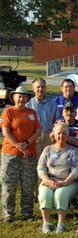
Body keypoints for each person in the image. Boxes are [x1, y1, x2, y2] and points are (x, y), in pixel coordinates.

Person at [1, 86, 42, 223]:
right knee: (9, 184)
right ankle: (8, 213)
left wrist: (26, 143)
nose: (21, 99)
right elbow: (6, 132)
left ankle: (27, 212)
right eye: (19, 96)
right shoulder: (8, 112)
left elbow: (38, 131)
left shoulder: (32, 113)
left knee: (28, 184)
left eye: (24, 97)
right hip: (10, 154)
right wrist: (19, 146)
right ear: (13, 98)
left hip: (29, 154)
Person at [37, 122, 78, 233]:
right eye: (59, 133)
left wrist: (65, 182)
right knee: (44, 194)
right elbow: (41, 168)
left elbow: (76, 170)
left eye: (64, 133)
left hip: (68, 182)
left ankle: (61, 224)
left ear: (68, 135)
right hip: (49, 181)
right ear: (54, 135)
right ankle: (46, 223)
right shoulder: (47, 150)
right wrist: (47, 180)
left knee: (60, 194)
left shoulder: (73, 151)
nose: (61, 136)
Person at [27, 78, 57, 158]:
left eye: (43, 87)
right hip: (34, 138)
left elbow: (56, 122)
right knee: (34, 162)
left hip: (48, 137)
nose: (40, 89)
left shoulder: (52, 104)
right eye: (38, 87)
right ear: (33, 89)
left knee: (48, 162)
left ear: (46, 88)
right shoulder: (28, 105)